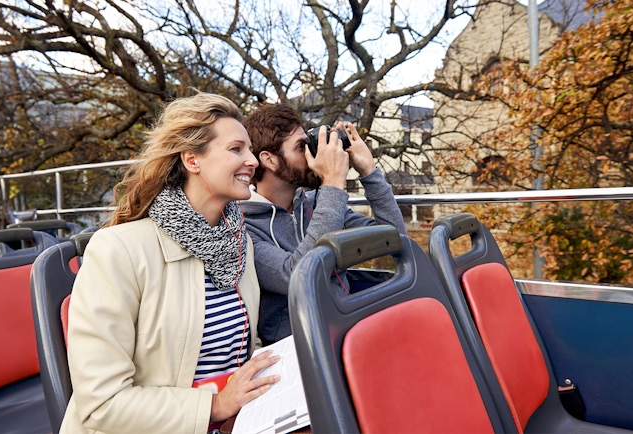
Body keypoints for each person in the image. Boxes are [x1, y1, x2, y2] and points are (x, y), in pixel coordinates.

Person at [61, 93, 280, 434]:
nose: (253, 160)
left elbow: (242, 351)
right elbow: (102, 403)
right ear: (192, 160)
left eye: (250, 149)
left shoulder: (240, 242)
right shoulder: (117, 250)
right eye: (237, 149)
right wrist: (217, 405)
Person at [241, 104, 408, 345]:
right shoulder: (246, 226)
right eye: (301, 147)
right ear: (270, 160)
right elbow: (296, 275)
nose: (312, 155)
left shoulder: (318, 202)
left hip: (350, 327)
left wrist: (369, 172)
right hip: (298, 348)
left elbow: (394, 239)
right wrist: (332, 183)